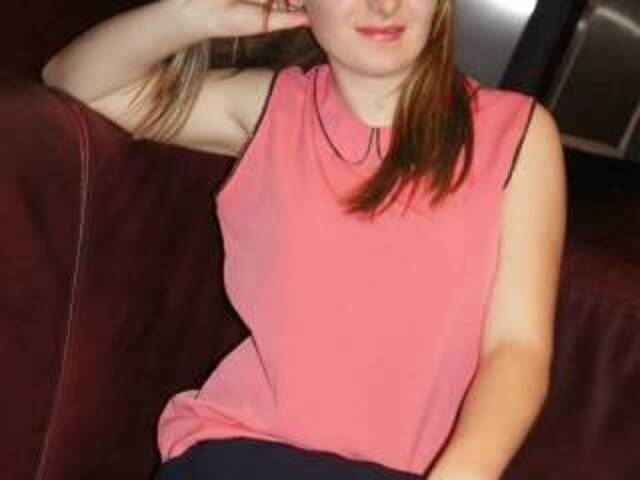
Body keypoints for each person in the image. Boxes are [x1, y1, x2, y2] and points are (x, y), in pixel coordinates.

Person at [42, 0, 567, 478]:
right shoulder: (271, 107)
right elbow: (77, 81)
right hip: (241, 453)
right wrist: (202, 15)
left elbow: (516, 347)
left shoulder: (516, 133)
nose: (384, 5)